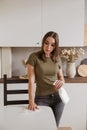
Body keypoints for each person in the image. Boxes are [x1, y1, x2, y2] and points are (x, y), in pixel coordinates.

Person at [26, 31, 65, 127]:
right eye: (46, 43)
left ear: (55, 46)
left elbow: (61, 77)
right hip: (41, 98)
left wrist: (62, 82)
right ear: (43, 42)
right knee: (42, 126)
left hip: (58, 98)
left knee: (54, 126)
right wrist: (31, 100)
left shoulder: (57, 58)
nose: (48, 47)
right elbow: (31, 81)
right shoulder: (34, 57)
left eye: (52, 45)